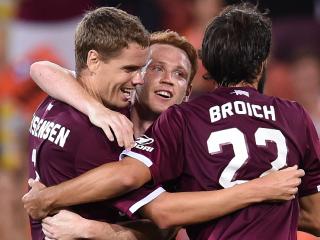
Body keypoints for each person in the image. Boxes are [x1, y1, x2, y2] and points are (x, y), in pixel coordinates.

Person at [23, 7, 310, 239]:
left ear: (187, 93)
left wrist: (94, 229)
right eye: (154, 68)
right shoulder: (103, 123)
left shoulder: (187, 146)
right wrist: (96, 110)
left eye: (180, 74)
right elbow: (42, 69)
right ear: (138, 76)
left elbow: (166, 226)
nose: (167, 79)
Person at [26, 6, 152, 240]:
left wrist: (96, 109)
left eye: (142, 68)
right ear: (93, 60)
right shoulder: (96, 133)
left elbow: (40, 68)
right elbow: (157, 215)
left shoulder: (56, 99)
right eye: (129, 69)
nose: (139, 79)